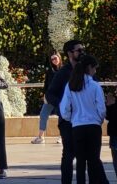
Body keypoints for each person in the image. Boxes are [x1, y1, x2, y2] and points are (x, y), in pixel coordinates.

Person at [59, 54, 106, 184]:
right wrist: (99, 119)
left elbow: (64, 109)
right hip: (93, 126)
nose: (95, 71)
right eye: (94, 68)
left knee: (80, 161)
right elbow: (101, 108)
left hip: (77, 127)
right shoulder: (95, 86)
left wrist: (72, 118)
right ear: (89, 67)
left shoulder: (70, 85)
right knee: (93, 160)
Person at [45, 40, 84, 184]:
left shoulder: (85, 69)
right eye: (78, 50)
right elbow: (50, 94)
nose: (81, 52)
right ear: (69, 53)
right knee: (68, 154)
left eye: (82, 49)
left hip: (83, 120)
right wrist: (63, 106)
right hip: (67, 121)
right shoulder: (62, 73)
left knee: (83, 155)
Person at [33, 52, 62, 143]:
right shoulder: (50, 71)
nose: (54, 60)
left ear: (59, 58)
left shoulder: (64, 70)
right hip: (50, 97)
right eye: (52, 59)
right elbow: (46, 85)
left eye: (55, 58)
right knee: (43, 115)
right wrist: (45, 96)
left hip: (61, 98)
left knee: (63, 117)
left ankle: (62, 137)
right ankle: (40, 137)